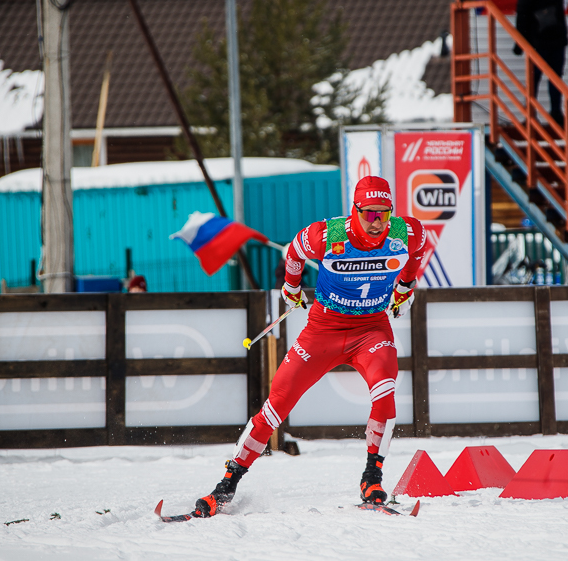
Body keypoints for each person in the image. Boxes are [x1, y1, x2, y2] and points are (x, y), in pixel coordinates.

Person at [181, 176, 427, 518]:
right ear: (354, 211)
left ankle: (372, 477)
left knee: (385, 391)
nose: (377, 223)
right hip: (324, 330)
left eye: (383, 214)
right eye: (369, 214)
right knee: (275, 406)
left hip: (371, 328)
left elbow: (418, 251)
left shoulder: (406, 232)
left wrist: (405, 286)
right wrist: (291, 287)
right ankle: (227, 484)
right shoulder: (329, 235)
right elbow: (293, 250)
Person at [515, 0, 568, 126]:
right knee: (534, 78)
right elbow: (522, 11)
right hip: (537, 39)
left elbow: (560, 11)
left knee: (556, 78)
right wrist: (520, 39)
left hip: (556, 37)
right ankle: (530, 115)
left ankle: (556, 113)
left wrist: (564, 34)